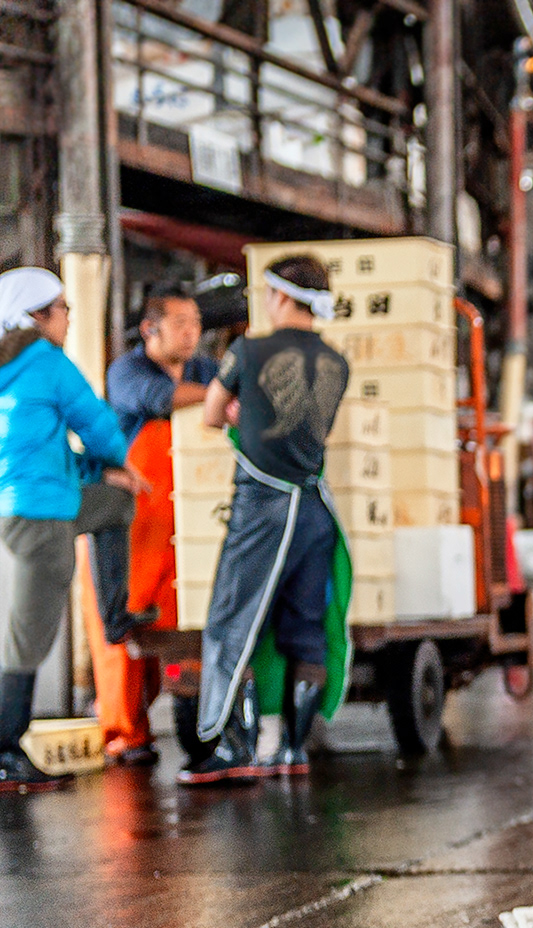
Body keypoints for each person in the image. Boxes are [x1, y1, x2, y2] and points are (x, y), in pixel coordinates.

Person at [181, 255, 352, 785]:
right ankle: (293, 751)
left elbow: (211, 414)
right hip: (316, 510)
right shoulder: (337, 362)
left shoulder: (248, 351)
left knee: (234, 624)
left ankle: (237, 749)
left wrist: (237, 411)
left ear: (280, 297)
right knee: (305, 632)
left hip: (262, 508)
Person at [0, 267, 150, 791]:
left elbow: (46, 452)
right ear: (40, 317)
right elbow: (97, 422)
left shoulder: (10, 366)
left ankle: (114, 617)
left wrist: (102, 475)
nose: (68, 317)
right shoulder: (46, 361)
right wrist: (121, 461)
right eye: (63, 308)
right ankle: (4, 751)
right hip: (41, 518)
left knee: (112, 503)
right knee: (27, 638)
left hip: (16, 508)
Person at [90, 286, 218, 766]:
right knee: (124, 627)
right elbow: (162, 400)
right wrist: (224, 393)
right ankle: (127, 734)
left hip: (190, 519)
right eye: (181, 323)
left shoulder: (204, 369)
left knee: (190, 621)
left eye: (196, 323)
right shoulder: (128, 371)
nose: (191, 333)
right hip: (133, 522)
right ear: (151, 328)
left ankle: (207, 718)